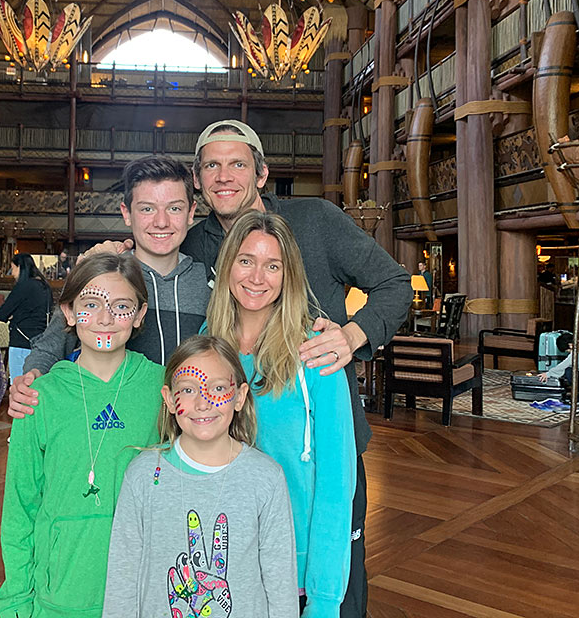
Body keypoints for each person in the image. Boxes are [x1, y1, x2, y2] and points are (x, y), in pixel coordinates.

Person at [181, 120, 412, 618]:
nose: (224, 176)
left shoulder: (316, 221)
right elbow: (122, 282)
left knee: (337, 586)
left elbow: (396, 284)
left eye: (238, 163)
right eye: (212, 166)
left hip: (324, 446)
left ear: (261, 174)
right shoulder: (195, 244)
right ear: (197, 180)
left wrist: (351, 336)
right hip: (239, 461)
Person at [0, 253, 163, 618]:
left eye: (121, 306)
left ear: (139, 315)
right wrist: (16, 601)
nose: (105, 319)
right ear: (69, 313)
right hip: (61, 593)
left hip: (144, 590)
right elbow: (21, 507)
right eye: (90, 305)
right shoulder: (39, 396)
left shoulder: (161, 386)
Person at [206, 211, 356, 617]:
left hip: (291, 564)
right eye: (246, 260)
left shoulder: (317, 352)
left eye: (273, 265)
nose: (258, 277)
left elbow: (336, 483)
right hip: (216, 562)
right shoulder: (205, 348)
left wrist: (324, 601)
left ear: (288, 275)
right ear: (227, 266)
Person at [102, 335, 299, 618]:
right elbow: (123, 577)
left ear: (240, 397)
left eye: (218, 388)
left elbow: (280, 584)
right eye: (188, 389)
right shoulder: (144, 474)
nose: (203, 402)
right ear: (170, 400)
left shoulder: (266, 478)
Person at [8, 155, 209, 416]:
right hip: (111, 426)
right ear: (126, 213)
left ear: (191, 212)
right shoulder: (100, 275)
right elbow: (53, 343)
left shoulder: (208, 281)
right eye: (147, 208)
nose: (161, 222)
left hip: (190, 430)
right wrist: (31, 378)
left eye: (174, 208)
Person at [0, 253, 53, 383]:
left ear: (20, 267)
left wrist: (13, 314)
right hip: (40, 342)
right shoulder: (44, 286)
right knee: (36, 385)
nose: (12, 274)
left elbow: (2, 314)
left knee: (19, 384)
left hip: (21, 341)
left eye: (13, 268)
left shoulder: (23, 286)